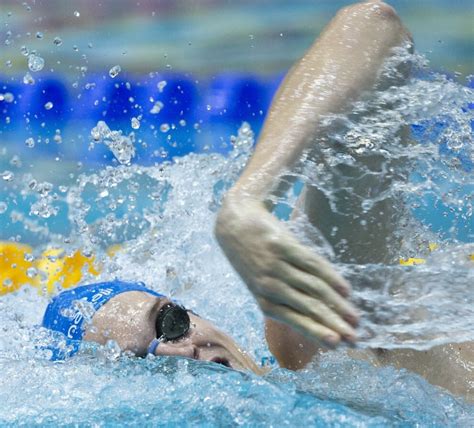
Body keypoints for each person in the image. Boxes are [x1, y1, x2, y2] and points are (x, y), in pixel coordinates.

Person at [42, 1, 472, 401]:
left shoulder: (315, 339)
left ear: (193, 312)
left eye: (169, 324)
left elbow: (374, 29)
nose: (178, 352)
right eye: (139, 361)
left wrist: (245, 202)